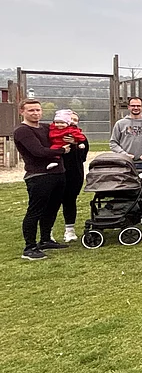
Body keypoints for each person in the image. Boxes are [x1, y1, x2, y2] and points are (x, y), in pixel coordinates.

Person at [14, 99, 70, 260]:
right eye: (31, 110)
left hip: (58, 173)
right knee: (35, 211)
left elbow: (63, 134)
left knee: (52, 208)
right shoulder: (22, 131)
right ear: (22, 112)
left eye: (38, 110)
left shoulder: (46, 127)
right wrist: (61, 150)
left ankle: (45, 239)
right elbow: (37, 151)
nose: (35, 113)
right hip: (38, 176)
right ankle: (29, 247)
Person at [60, 112, 90, 243]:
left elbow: (83, 156)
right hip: (56, 172)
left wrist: (75, 144)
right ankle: (46, 233)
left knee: (70, 200)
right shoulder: (53, 133)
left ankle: (69, 229)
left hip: (74, 172)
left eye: (75, 120)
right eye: (70, 119)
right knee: (51, 202)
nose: (73, 122)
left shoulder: (81, 136)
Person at [110, 96, 142, 171]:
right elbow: (113, 143)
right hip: (125, 162)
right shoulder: (120, 124)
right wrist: (124, 154)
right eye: (133, 106)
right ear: (128, 107)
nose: (136, 108)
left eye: (138, 106)